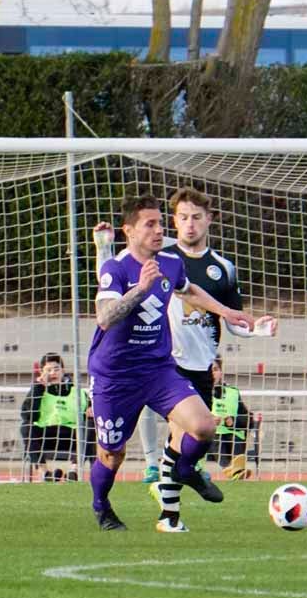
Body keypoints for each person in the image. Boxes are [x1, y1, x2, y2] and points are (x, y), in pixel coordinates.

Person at [94, 186, 277, 525]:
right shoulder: (115, 269)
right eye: (150, 224)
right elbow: (104, 318)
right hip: (116, 373)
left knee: (204, 427)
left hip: (159, 369)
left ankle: (181, 475)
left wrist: (228, 312)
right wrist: (140, 289)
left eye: (160, 223)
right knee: (111, 454)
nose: (159, 230)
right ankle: (101, 505)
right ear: (130, 231)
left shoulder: (170, 262)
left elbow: (188, 289)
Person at [19, 352, 89, 482]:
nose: (53, 373)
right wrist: (39, 388)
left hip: (71, 435)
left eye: (56, 369)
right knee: (26, 427)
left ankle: (73, 471)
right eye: (48, 370)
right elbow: (28, 416)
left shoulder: (78, 392)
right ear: (41, 372)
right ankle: (45, 473)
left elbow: (88, 412)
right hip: (46, 434)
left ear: (63, 370)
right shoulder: (37, 391)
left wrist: (90, 411)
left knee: (89, 427)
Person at [208, 357, 253, 480]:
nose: (212, 373)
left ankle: (235, 470)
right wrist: (209, 421)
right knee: (216, 438)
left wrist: (232, 421)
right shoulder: (197, 392)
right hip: (211, 436)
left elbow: (249, 420)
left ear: (221, 372)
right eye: (208, 370)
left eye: (215, 369)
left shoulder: (233, 392)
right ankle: (233, 469)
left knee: (236, 437)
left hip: (234, 435)